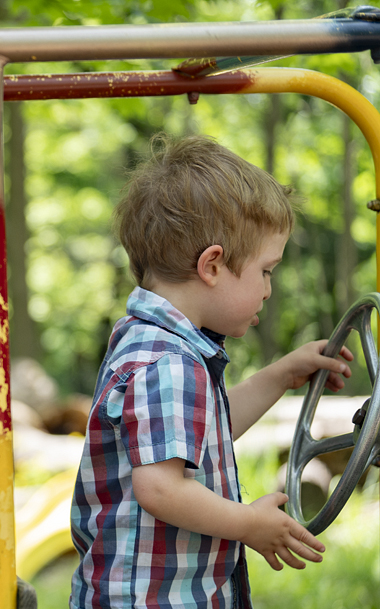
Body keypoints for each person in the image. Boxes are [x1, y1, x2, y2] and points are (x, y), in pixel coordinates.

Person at [70, 134, 354, 609]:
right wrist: (248, 523)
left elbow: (203, 436)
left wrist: (281, 375)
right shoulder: (168, 361)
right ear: (213, 265)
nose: (268, 289)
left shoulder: (153, 342)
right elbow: (160, 487)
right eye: (266, 271)